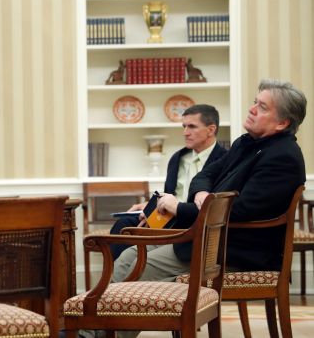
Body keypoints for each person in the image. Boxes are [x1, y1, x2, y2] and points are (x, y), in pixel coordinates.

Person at [111, 79, 307, 338]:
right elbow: (205, 175)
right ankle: (100, 331)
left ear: (282, 122)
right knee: (128, 256)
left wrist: (181, 208)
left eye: (262, 107)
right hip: (211, 241)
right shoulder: (245, 143)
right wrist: (203, 194)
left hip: (236, 253)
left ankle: (99, 333)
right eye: (254, 102)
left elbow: (239, 211)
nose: (252, 109)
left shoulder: (283, 156)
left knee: (139, 266)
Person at [109, 104, 227, 259]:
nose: (185, 132)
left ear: (211, 130)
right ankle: (120, 281)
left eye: (192, 127)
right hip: (168, 217)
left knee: (134, 235)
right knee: (124, 224)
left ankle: (131, 278)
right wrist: (150, 207)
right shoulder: (178, 158)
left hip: (194, 220)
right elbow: (169, 194)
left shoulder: (225, 160)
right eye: (184, 126)